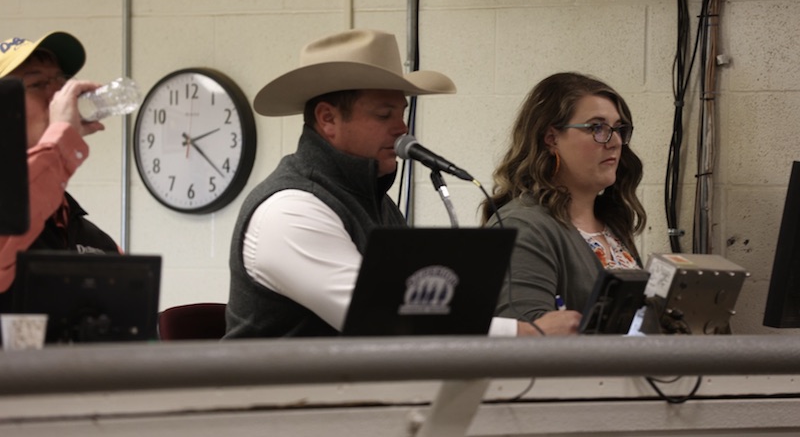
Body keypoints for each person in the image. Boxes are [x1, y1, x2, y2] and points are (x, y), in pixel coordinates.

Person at [225, 28, 476, 338]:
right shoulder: (289, 210)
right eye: (384, 115)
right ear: (328, 119)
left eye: (402, 113)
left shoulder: (373, 200)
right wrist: (518, 332)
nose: (402, 129)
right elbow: (383, 317)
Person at [481, 72, 646, 336]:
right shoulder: (523, 226)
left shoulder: (611, 223)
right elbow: (525, 337)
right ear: (551, 139)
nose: (615, 142)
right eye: (597, 128)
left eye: (618, 129)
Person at [0, 32, 119, 308]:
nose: (58, 96)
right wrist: (61, 142)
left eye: (61, 82)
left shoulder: (86, 234)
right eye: (38, 83)